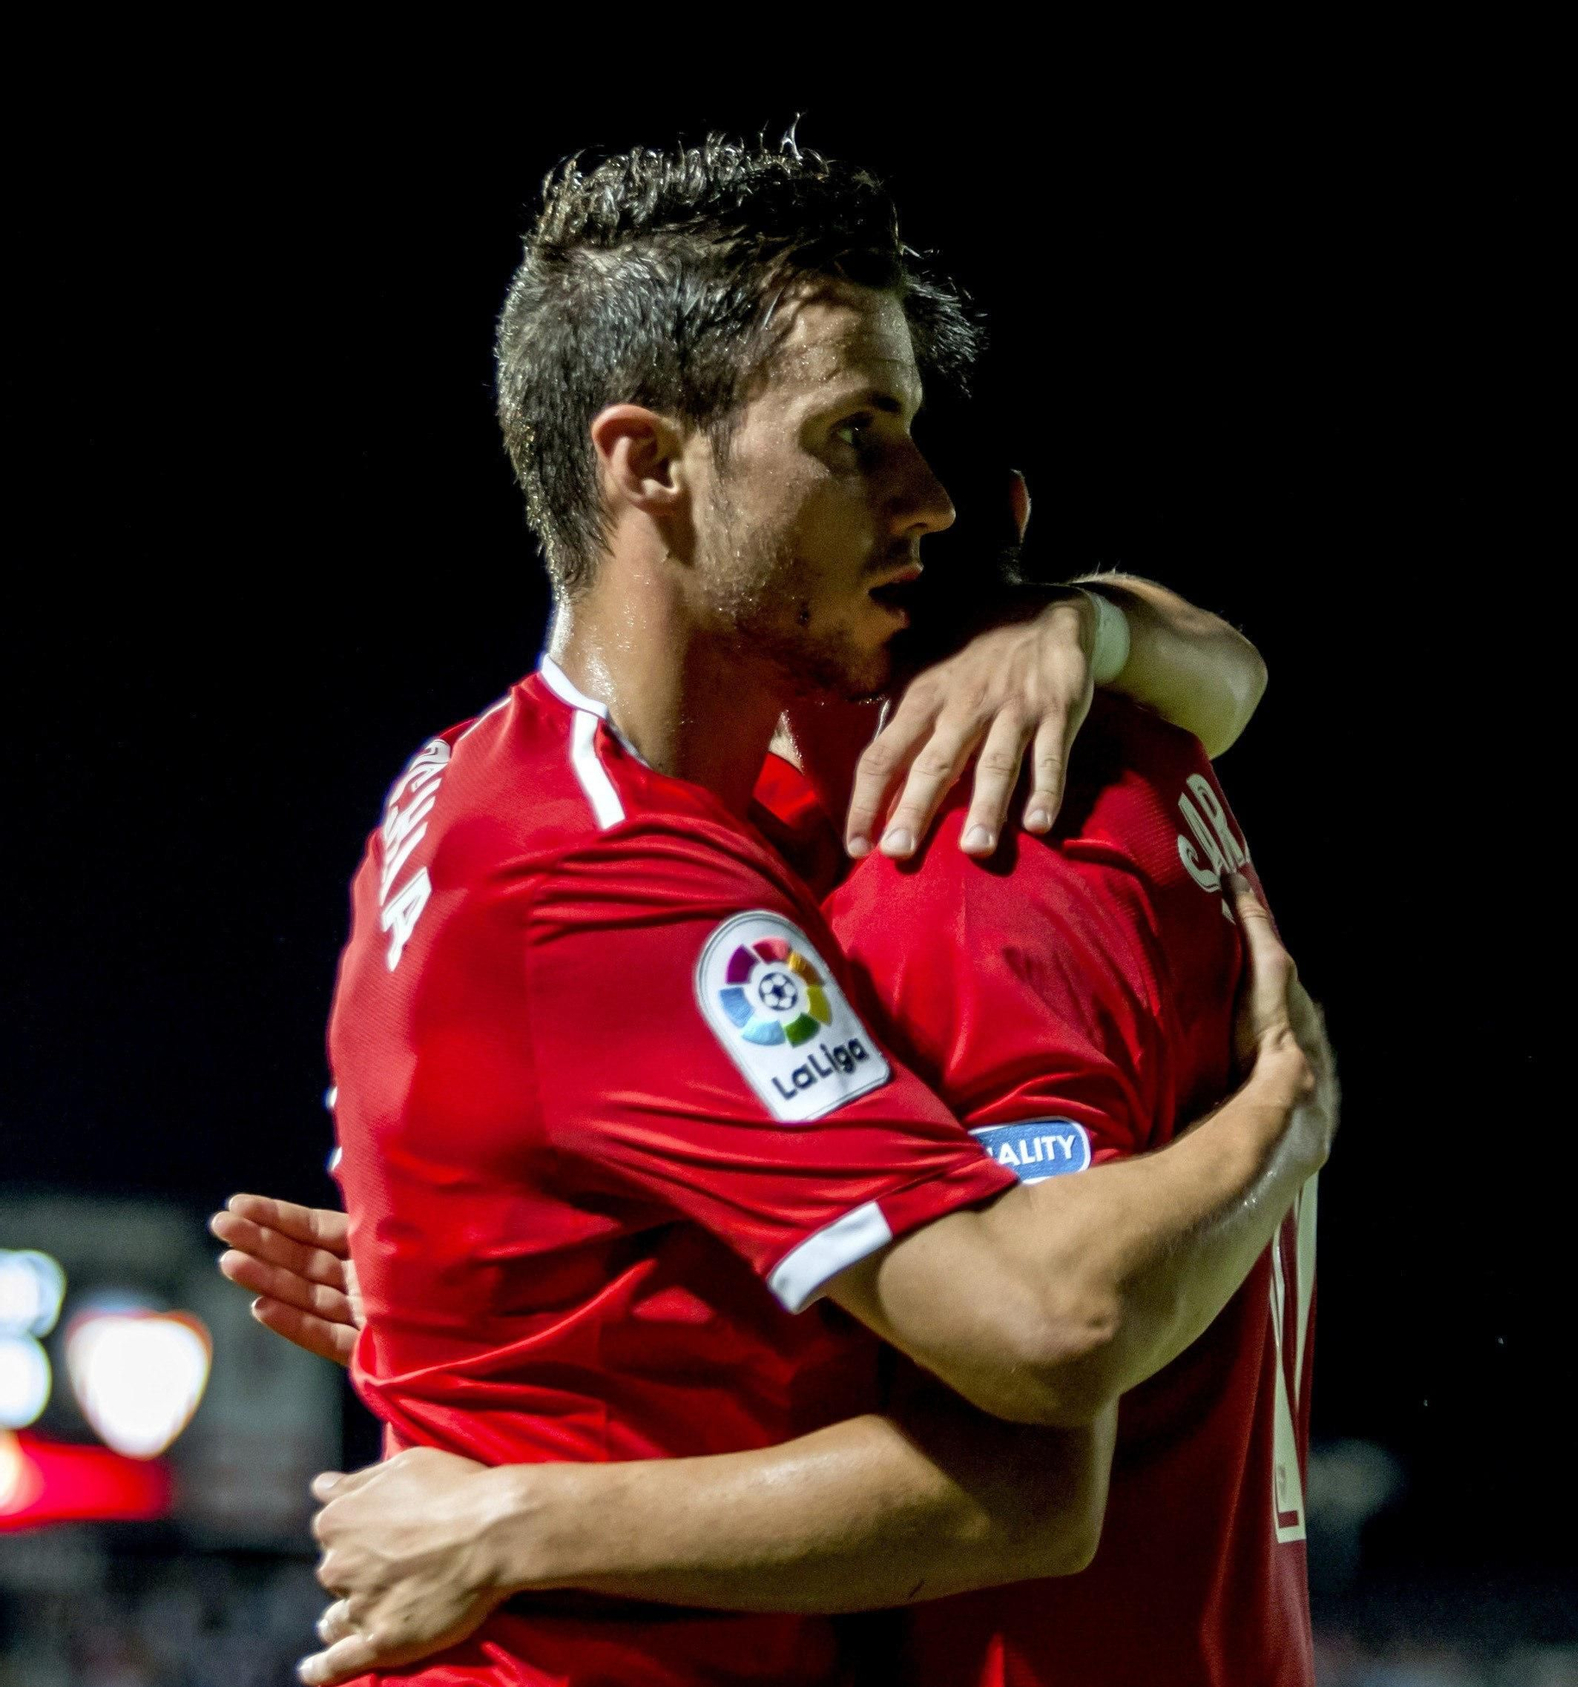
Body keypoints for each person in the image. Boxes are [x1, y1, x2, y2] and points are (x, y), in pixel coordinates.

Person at [216, 135, 1333, 1687]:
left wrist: (527, 1316)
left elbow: (1230, 671)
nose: (922, 500)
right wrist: (1286, 1118)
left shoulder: (460, 782)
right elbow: (1033, 1353)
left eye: (919, 438)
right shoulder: (672, 877)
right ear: (647, 464)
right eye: (854, 437)